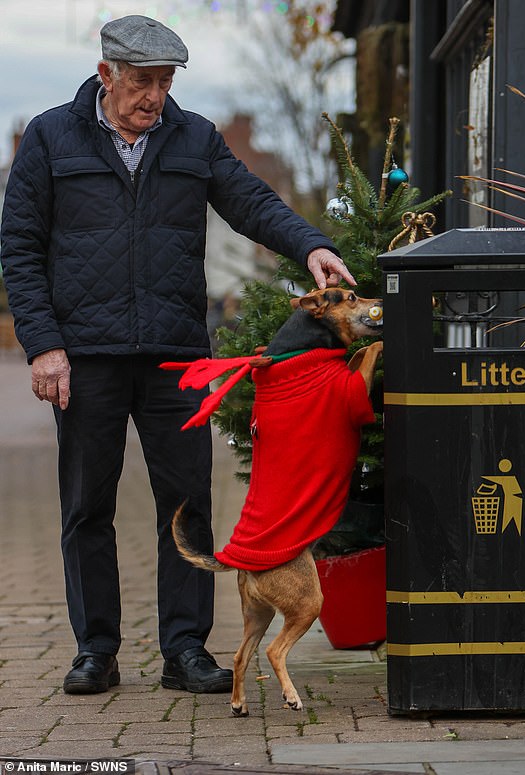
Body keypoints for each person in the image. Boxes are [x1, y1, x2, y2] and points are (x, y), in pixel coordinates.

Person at [0, 15, 355, 695]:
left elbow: (250, 200)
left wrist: (309, 243)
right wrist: (43, 345)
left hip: (176, 358)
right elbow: (19, 246)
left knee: (187, 505)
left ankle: (185, 649)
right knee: (87, 505)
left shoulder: (193, 138)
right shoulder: (51, 137)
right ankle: (96, 649)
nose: (155, 96)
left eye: (165, 82)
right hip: (87, 356)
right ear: (106, 75)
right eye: (142, 82)